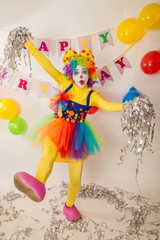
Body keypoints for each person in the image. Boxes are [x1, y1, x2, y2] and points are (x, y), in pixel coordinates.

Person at [14, 36, 123, 222]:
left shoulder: (91, 95)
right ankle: (38, 184)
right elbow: (47, 66)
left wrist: (126, 106)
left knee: (76, 178)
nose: (80, 75)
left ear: (90, 75)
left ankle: (69, 206)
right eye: (77, 72)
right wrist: (30, 45)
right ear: (71, 74)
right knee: (48, 151)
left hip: (78, 136)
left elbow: (108, 105)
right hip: (58, 126)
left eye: (84, 72)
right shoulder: (66, 84)